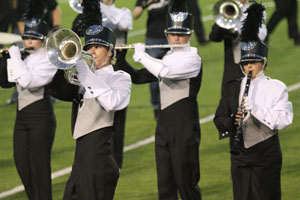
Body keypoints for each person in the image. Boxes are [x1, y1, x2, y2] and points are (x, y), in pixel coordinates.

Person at [117, 1, 203, 198]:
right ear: (166, 34)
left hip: (184, 128)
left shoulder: (193, 59)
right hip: (163, 126)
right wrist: (122, 59)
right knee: (165, 185)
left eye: (181, 34)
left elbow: (165, 72)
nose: (176, 38)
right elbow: (139, 77)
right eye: (173, 33)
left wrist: (141, 55)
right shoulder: (165, 57)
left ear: (189, 34)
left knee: (186, 183)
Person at [214, 2, 293, 199]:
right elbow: (219, 118)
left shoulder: (277, 87)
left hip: (266, 155)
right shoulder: (233, 87)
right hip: (239, 156)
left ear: (264, 62)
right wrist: (233, 121)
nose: (249, 67)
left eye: (253, 62)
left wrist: (256, 109)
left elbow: (284, 119)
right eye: (245, 62)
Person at [0, 12, 57, 200]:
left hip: (40, 116)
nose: (29, 43)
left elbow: (27, 81)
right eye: (26, 38)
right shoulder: (23, 56)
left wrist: (15, 57)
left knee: (39, 166)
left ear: (43, 40)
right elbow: (6, 82)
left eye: (34, 39)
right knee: (22, 163)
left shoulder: (49, 61)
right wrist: (3, 60)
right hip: (22, 117)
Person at [6, 0, 61, 105]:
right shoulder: (18, 3)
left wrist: (56, 26)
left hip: (46, 31)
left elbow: (56, 10)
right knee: (22, 63)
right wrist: (29, 38)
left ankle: (52, 94)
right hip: (26, 31)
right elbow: (20, 23)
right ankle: (17, 95)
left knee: (46, 63)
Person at [209, 0, 267, 96]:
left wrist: (238, 26)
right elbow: (214, 37)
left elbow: (261, 35)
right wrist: (225, 21)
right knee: (228, 101)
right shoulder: (227, 8)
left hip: (252, 64)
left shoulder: (256, 10)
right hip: (232, 67)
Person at [100, 0, 133, 168]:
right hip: (97, 70)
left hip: (118, 69)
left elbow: (125, 24)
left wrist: (103, 9)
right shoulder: (94, 14)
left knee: (118, 119)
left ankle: (116, 162)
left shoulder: (123, 12)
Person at [133, 0, 170, 120]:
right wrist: (146, 3)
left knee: (171, 74)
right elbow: (135, 15)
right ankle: (156, 106)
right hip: (153, 39)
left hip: (172, 37)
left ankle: (168, 106)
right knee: (153, 78)